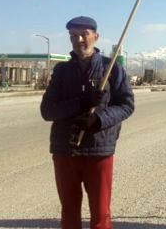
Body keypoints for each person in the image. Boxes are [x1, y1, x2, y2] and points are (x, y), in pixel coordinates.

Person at [40, 16, 135, 229]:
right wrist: (81, 102)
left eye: (84, 34)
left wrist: (99, 119)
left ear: (95, 36)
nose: (79, 39)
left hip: (99, 150)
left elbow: (127, 105)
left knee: (101, 214)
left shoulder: (112, 69)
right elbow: (47, 111)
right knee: (69, 211)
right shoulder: (62, 71)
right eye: (74, 35)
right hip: (66, 150)